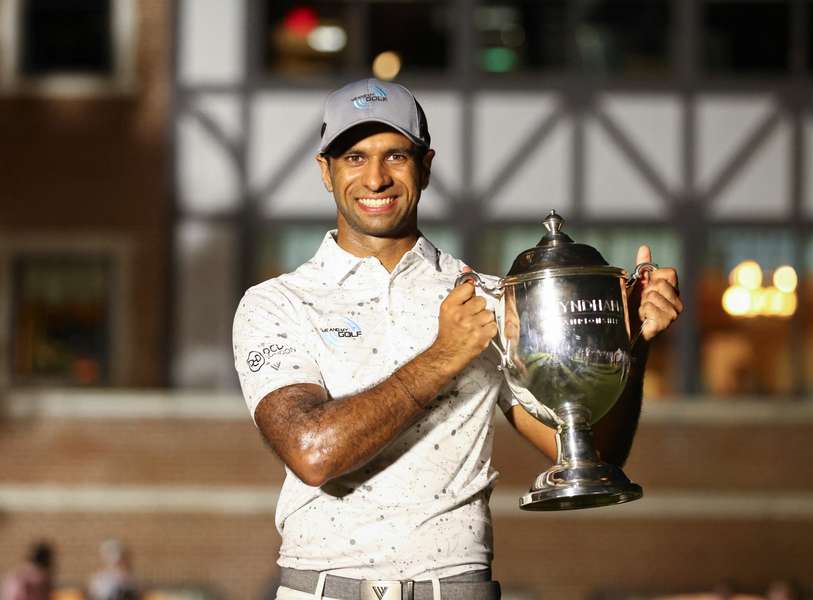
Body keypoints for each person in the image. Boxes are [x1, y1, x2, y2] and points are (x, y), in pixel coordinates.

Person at [233, 78, 682, 600]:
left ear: (425, 166)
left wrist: (629, 341)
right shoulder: (278, 303)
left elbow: (596, 451)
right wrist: (445, 355)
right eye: (354, 158)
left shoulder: (489, 298)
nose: (375, 178)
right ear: (325, 172)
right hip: (324, 588)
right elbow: (312, 453)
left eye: (395, 155)